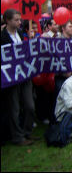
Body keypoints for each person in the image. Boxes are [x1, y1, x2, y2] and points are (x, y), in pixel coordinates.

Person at [1, 9, 36, 146]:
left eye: (19, 19)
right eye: (16, 20)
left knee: (30, 105)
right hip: (11, 79)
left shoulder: (21, 34)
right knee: (14, 108)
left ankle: (27, 131)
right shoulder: (2, 37)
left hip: (24, 75)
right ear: (8, 20)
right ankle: (17, 137)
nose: (19, 22)